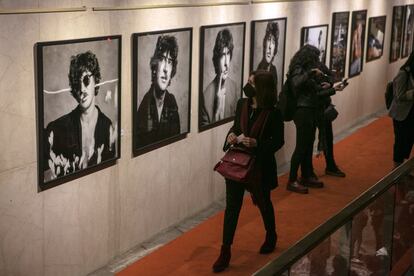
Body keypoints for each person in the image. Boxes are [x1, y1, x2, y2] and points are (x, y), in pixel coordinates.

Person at [212, 71, 284, 273]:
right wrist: (232, 136)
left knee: (264, 203)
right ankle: (225, 251)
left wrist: (257, 143)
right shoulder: (242, 105)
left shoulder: (273, 113)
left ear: (261, 88)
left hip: (259, 167)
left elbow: (278, 142)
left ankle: (271, 235)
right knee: (232, 209)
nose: (247, 85)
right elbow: (235, 127)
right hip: (237, 163)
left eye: (251, 82)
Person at [44, 51, 116, 180]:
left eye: (86, 80)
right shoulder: (57, 129)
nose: (82, 89)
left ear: (96, 81)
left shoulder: (108, 128)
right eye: (77, 83)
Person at [286, 45, 345, 194]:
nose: (318, 62)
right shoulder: (299, 69)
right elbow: (296, 84)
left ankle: (306, 175)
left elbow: (316, 90)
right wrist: (312, 73)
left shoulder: (306, 70)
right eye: (315, 58)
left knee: (307, 146)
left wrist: (332, 87)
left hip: (310, 111)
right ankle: (292, 180)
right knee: (301, 147)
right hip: (303, 112)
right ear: (308, 58)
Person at [136, 35, 180, 148]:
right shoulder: (144, 107)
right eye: (162, 59)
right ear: (155, 66)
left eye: (170, 61)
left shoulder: (172, 102)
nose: (165, 69)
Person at [200, 28, 238, 127]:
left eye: (228, 53)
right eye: (222, 55)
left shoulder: (234, 87)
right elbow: (205, 134)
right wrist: (217, 110)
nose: (226, 63)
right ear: (217, 59)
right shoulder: (205, 96)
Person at [389, 51, 414, 168]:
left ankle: (403, 170)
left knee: (409, 141)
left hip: (412, 113)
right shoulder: (404, 73)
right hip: (401, 114)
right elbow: (399, 96)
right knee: (400, 142)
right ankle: (396, 171)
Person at [257, 21, 279, 86]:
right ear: (264, 43)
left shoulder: (273, 70)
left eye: (273, 42)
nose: (270, 47)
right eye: (269, 39)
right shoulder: (259, 68)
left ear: (275, 49)